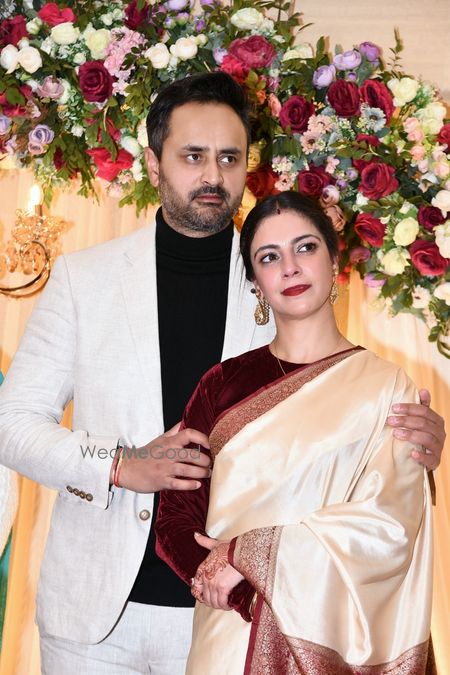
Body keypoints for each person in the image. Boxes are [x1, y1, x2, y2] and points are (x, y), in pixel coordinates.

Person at [0, 73, 444, 674]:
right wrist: (119, 465)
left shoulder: (277, 273)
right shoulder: (86, 279)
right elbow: (12, 423)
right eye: (193, 156)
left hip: (236, 616)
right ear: (153, 164)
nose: (213, 175)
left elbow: (336, 430)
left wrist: (412, 445)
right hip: (95, 620)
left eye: (229, 158)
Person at [155, 191, 435, 674]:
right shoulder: (220, 385)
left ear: (334, 261)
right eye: (269, 257)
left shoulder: (388, 388)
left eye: (305, 248)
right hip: (229, 631)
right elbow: (176, 517)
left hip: (334, 639)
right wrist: (231, 586)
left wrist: (247, 556)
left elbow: (390, 525)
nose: (289, 268)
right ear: (255, 283)